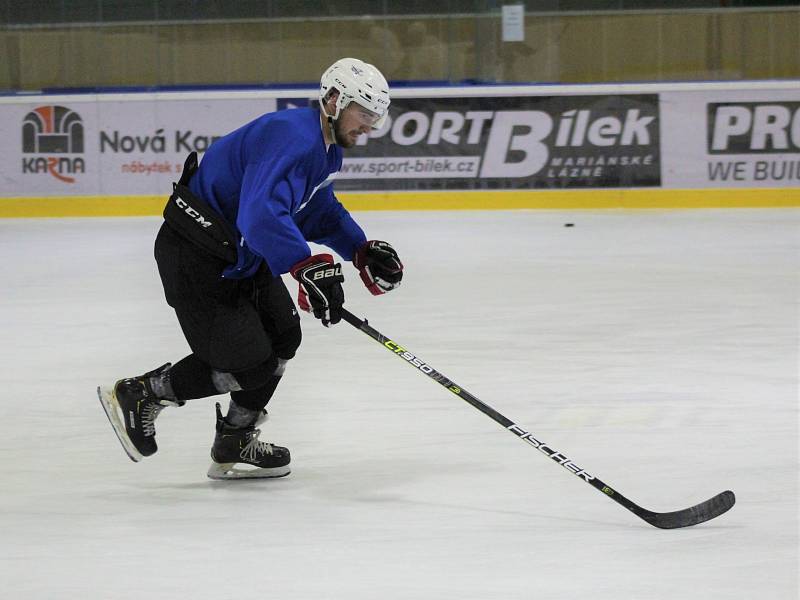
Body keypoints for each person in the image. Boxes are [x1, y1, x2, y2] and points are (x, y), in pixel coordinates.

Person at [97, 58, 403, 480]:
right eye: (364, 113)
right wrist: (304, 265)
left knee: (283, 335)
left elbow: (314, 211)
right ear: (334, 100)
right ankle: (142, 393)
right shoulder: (291, 136)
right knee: (250, 363)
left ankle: (235, 440)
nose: (369, 125)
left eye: (376, 117)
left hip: (237, 254)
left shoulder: (324, 150)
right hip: (196, 257)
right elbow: (259, 214)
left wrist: (359, 249)